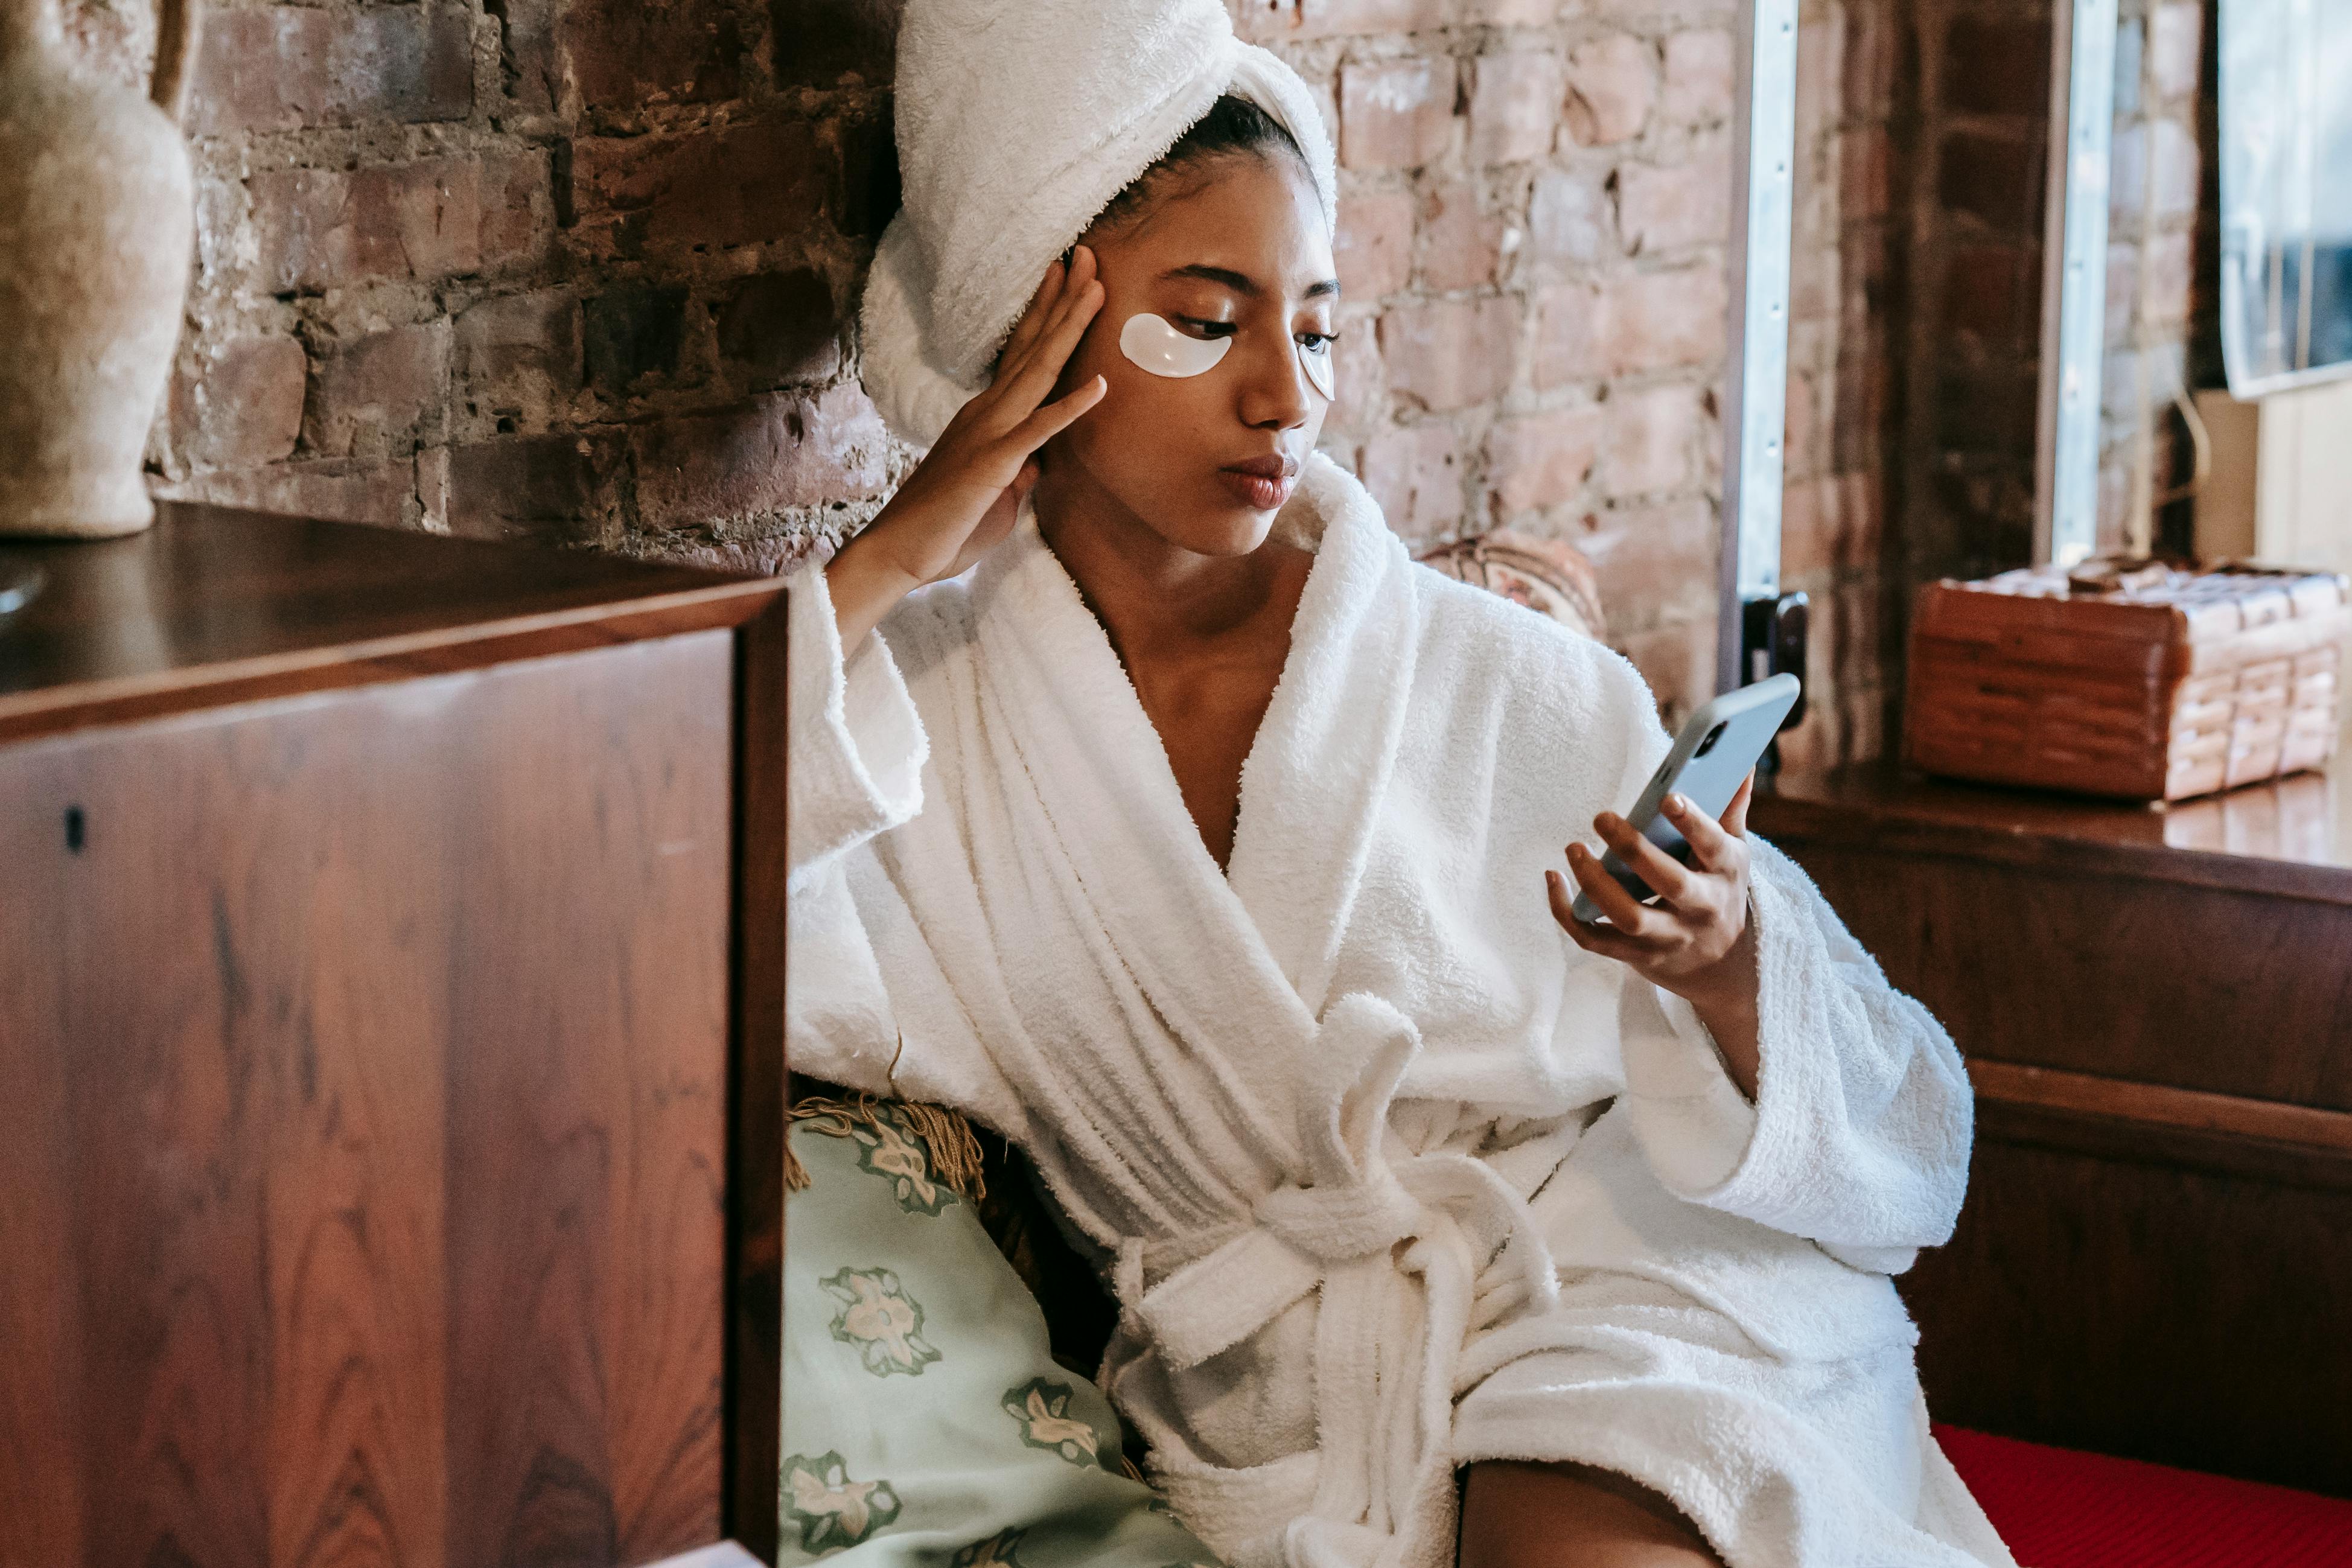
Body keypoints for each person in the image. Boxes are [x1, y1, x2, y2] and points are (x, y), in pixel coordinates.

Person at [788, 2, 2013, 1564]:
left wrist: (1721, 965)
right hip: (1288, 1390)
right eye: (1205, 320)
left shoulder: (1506, 676)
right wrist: (898, 542)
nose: (1287, 401)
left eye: (1310, 326)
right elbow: (668, 889)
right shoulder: (932, 722)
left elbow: (1898, 1117)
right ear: (1035, 331)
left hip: (1614, 1277)